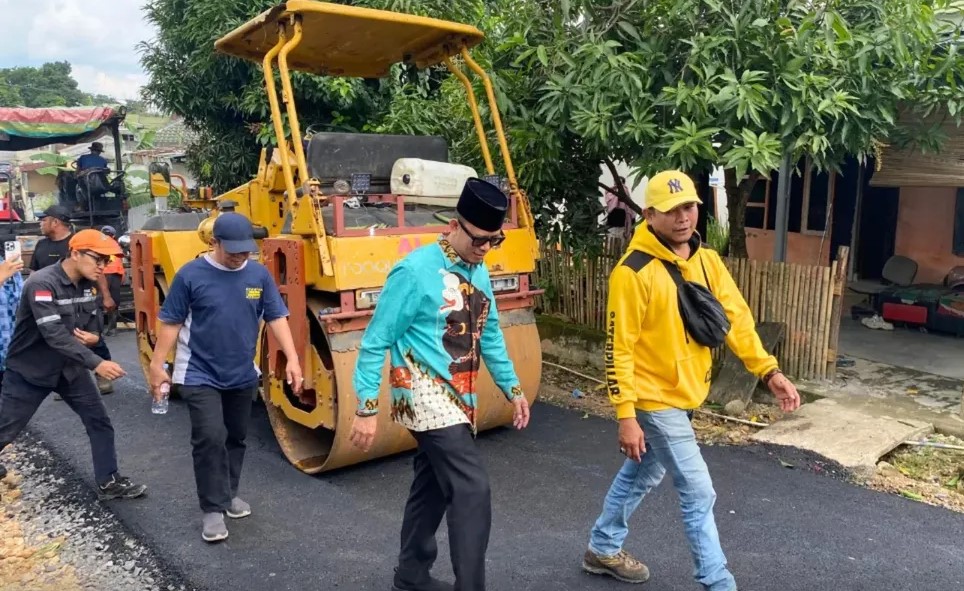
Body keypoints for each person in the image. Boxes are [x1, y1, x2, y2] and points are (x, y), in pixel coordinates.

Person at [581, 170, 801, 590]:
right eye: (672, 210)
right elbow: (618, 348)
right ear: (649, 215)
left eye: (690, 206)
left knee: (645, 472)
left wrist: (767, 371)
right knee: (699, 492)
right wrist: (625, 415)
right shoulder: (633, 273)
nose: (684, 217)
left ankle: (603, 546)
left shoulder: (707, 261)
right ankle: (717, 582)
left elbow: (736, 319)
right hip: (652, 398)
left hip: (686, 393)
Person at [349, 178, 531, 591]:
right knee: (471, 489)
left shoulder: (478, 270)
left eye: (494, 241)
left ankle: (411, 574)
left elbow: (490, 334)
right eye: (480, 240)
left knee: (430, 486)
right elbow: (376, 341)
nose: (485, 249)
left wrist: (513, 388)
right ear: (454, 225)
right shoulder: (413, 271)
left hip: (459, 396)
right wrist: (365, 409)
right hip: (422, 392)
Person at [147, 212, 303, 543]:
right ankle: (212, 509)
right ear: (214, 242)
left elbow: (276, 317)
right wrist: (158, 364)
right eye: (232, 251)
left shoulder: (258, 275)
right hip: (198, 372)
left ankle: (228, 494)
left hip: (242, 372)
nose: (239, 257)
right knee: (209, 437)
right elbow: (171, 323)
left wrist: (292, 358)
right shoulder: (190, 275)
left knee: (235, 437)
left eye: (245, 251)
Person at [0, 230, 147, 500]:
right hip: (31, 370)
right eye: (98, 259)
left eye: (107, 260)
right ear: (75, 253)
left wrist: (94, 336)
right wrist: (97, 363)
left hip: (70, 369)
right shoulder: (41, 283)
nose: (103, 266)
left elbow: (92, 321)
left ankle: (109, 481)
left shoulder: (89, 285)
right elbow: (54, 334)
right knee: (6, 427)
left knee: (99, 421)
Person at [99, 225, 125, 336]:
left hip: (115, 275)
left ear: (113, 235)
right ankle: (100, 329)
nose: (107, 237)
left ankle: (112, 328)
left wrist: (122, 273)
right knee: (100, 301)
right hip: (103, 275)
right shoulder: (98, 246)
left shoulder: (116, 245)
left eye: (108, 234)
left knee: (114, 301)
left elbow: (119, 261)